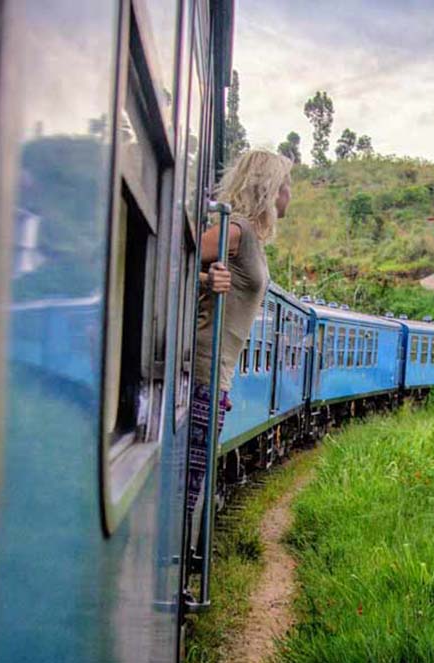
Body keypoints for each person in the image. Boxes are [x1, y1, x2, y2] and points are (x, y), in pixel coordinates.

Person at [186, 149, 292, 550]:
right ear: (269, 190)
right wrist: (204, 279)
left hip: (218, 372)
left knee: (195, 478)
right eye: (286, 187)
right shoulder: (237, 231)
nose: (289, 196)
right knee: (190, 482)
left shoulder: (249, 238)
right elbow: (172, 255)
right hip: (203, 368)